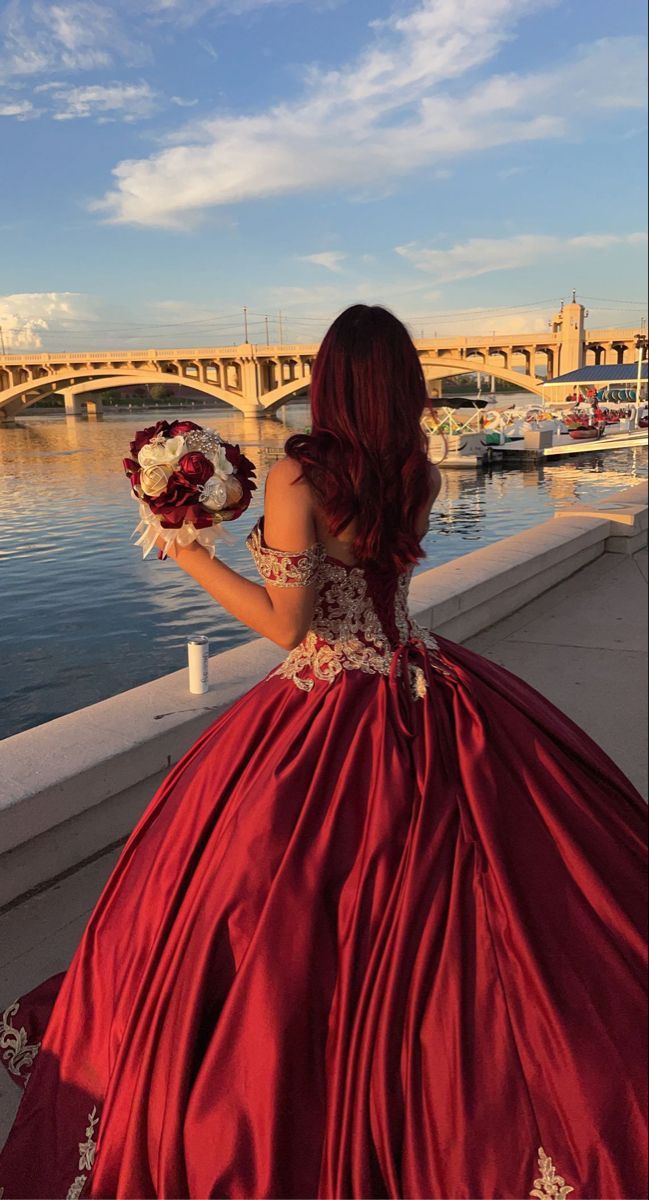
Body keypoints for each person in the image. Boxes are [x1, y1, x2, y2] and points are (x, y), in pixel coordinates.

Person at [0, 306, 646, 1200]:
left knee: (270, 907)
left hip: (328, 703)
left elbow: (284, 626)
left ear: (330, 377)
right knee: (479, 896)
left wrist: (188, 549)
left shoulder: (302, 470)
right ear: (404, 382)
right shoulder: (412, 467)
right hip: (425, 679)